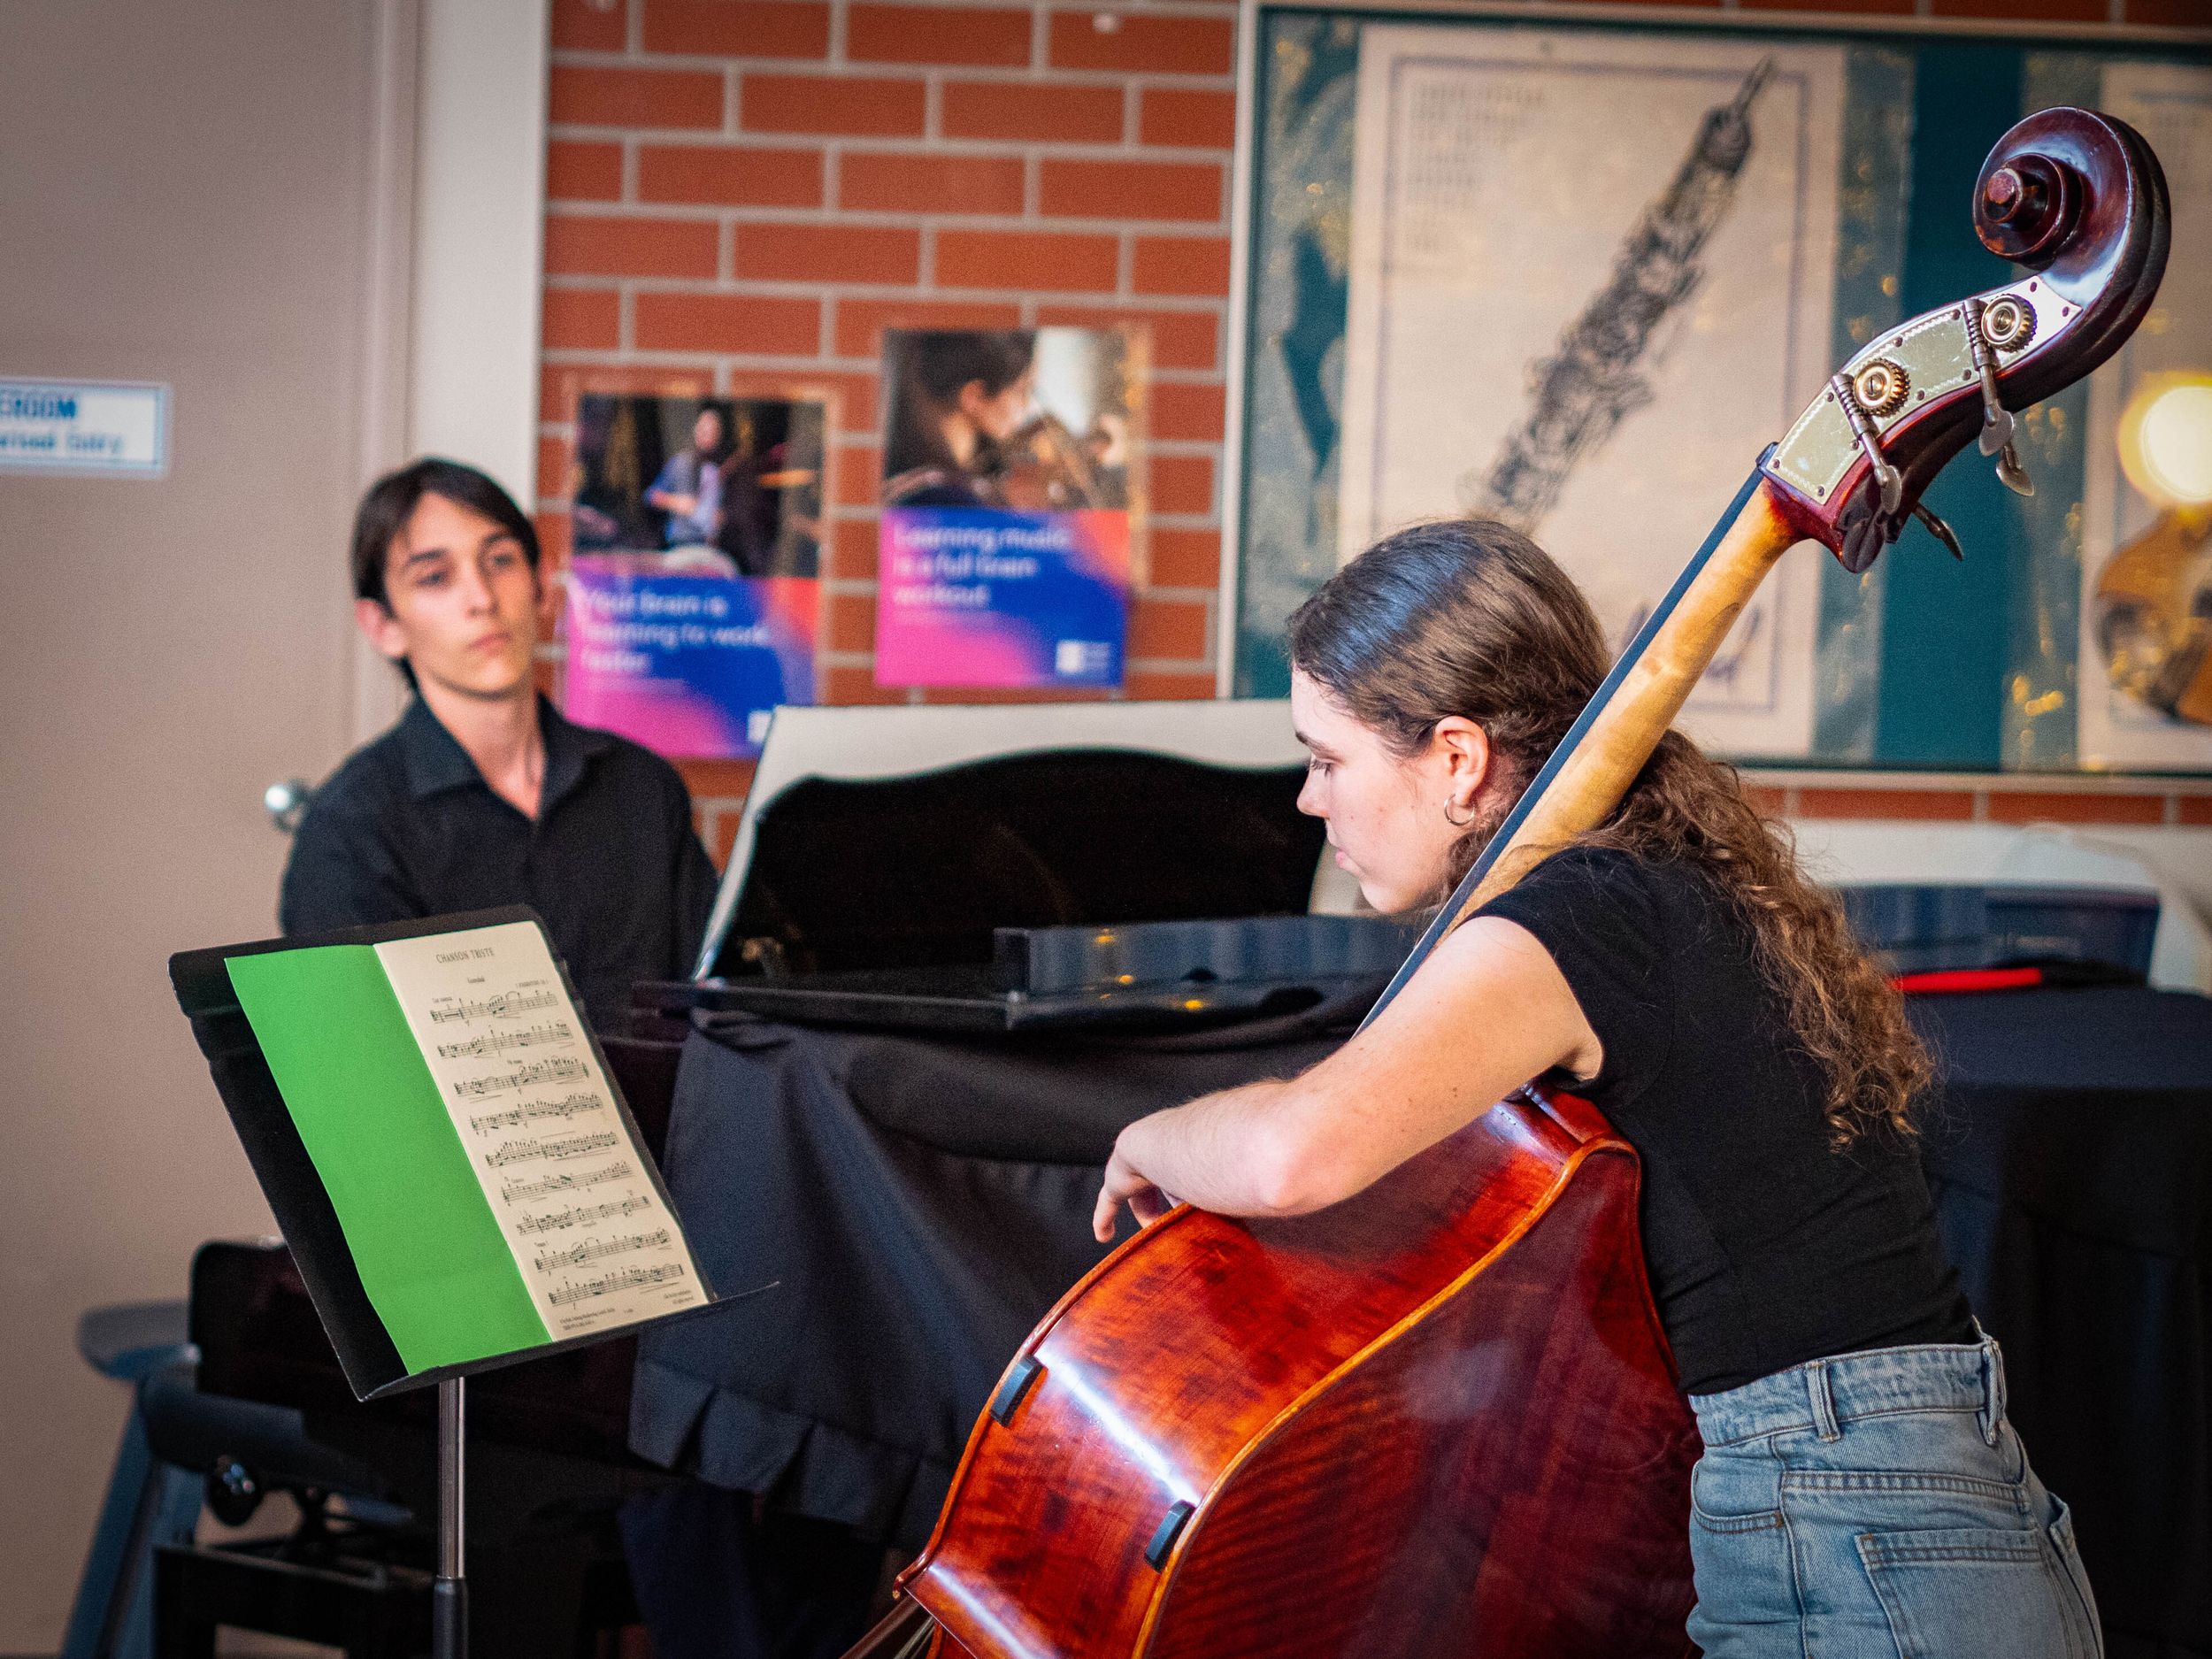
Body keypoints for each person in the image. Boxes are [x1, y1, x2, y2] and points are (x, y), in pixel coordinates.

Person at [1091, 519, 2103, 1659]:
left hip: (1852, 1521)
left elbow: (1292, 1157)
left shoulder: (1578, 919)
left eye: (1327, 760)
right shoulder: (1649, 883)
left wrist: (1149, 1135)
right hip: (1886, 1505)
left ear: (1458, 759)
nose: (1307, 803)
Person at [280, 457, 718, 1030]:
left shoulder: (642, 787)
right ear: (383, 626)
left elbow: (715, 1013)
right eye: (435, 577)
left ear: (540, 586)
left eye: (500, 561)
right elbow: (356, 1055)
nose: (482, 598)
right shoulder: (351, 827)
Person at [881, 330, 1036, 508]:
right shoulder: (946, 497)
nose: (1027, 407)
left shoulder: (905, 476)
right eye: (1020, 391)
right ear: (975, 398)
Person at [647, 403, 730, 552]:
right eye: (704, 431)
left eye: (713, 432)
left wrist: (720, 517)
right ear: (696, 431)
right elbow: (651, 496)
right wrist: (676, 502)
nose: (708, 436)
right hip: (681, 543)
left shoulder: (719, 468)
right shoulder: (681, 463)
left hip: (708, 546)